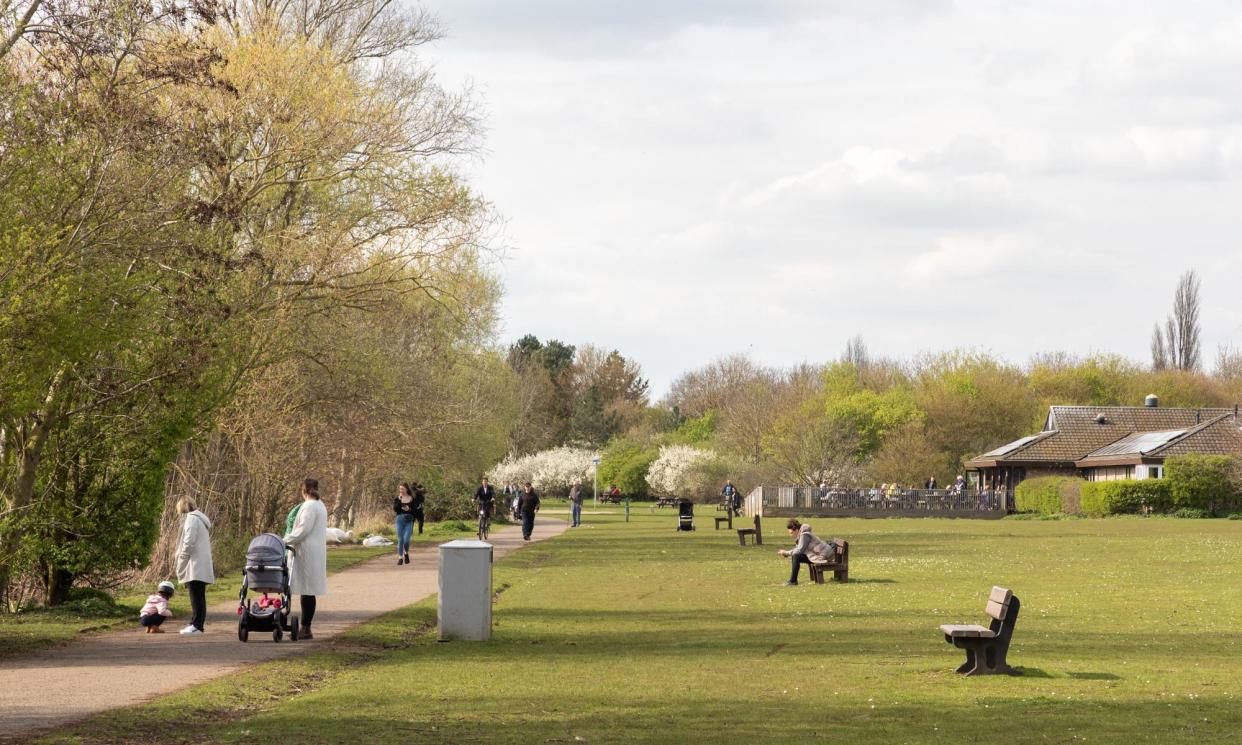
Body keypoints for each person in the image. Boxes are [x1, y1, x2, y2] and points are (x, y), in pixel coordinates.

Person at [285, 478, 328, 640]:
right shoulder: (320, 505)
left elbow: (303, 529)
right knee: (307, 590)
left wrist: (285, 540)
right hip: (314, 550)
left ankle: (306, 627)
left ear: (303, 491)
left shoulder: (309, 506)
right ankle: (305, 626)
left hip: (307, 551)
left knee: (307, 590)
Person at [174, 497, 214, 636]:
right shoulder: (199, 519)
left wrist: (182, 560)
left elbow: (188, 542)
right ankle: (196, 623)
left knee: (195, 595)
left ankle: (197, 625)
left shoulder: (191, 519)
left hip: (194, 564)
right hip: (200, 563)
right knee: (199, 595)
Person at [777, 519, 837, 586]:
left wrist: (786, 553)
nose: (791, 535)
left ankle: (793, 581)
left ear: (796, 530)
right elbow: (798, 549)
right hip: (817, 554)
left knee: (796, 556)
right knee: (796, 556)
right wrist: (787, 554)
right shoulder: (801, 535)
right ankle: (793, 580)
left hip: (821, 556)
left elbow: (800, 550)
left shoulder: (805, 535)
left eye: (791, 533)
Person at [394, 482, 417, 565]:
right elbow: (395, 509)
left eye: (402, 488)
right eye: (400, 489)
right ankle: (400, 558)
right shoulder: (398, 498)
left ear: (406, 489)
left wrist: (409, 509)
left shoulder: (412, 499)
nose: (401, 490)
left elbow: (415, 512)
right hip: (399, 520)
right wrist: (400, 500)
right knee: (400, 539)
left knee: (406, 540)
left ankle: (406, 553)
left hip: (409, 521)